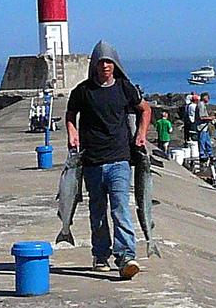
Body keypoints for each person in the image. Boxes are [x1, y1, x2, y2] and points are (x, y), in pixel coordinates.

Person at [64, 41, 151, 279]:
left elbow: (145, 109)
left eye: (109, 62)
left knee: (121, 209)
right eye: (101, 62)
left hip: (119, 159)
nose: (105, 66)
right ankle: (100, 255)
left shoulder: (125, 88)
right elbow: (70, 114)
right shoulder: (82, 91)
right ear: (94, 64)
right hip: (91, 161)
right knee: (98, 211)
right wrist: (72, 131)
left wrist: (141, 135)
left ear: (115, 64)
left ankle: (126, 257)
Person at [196, 91, 216, 161]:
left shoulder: (203, 105)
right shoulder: (201, 105)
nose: (209, 99)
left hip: (205, 127)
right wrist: (210, 118)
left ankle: (210, 154)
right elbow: (201, 117)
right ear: (204, 97)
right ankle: (202, 155)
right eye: (208, 97)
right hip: (201, 127)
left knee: (208, 142)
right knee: (202, 141)